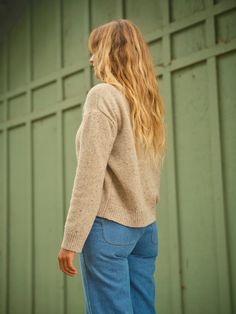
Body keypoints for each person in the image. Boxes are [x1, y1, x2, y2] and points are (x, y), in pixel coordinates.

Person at [57, 18, 167, 314]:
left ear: (109, 53)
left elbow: (89, 175)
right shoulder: (145, 102)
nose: (91, 58)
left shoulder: (102, 95)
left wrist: (72, 238)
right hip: (145, 230)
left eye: (95, 50)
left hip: (109, 229)